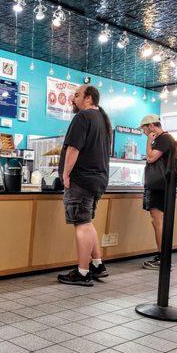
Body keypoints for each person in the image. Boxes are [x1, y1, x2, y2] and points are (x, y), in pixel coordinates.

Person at [57, 85, 112, 286]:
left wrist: (65, 174)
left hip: (82, 179)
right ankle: (97, 264)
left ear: (88, 98)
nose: (73, 99)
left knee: (82, 224)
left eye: (77, 95)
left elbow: (73, 148)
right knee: (87, 222)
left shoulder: (83, 117)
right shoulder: (103, 120)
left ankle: (82, 272)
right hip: (98, 179)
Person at [140, 114, 176, 270]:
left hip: (159, 185)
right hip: (161, 185)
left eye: (144, 128)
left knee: (158, 220)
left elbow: (150, 158)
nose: (143, 132)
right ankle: (162, 256)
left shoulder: (163, 139)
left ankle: (163, 259)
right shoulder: (165, 139)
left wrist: (148, 142)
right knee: (156, 220)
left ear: (151, 126)